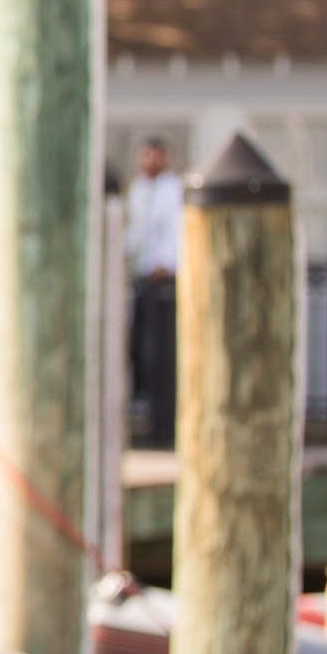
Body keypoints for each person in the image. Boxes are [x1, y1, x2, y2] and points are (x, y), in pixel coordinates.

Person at [126, 135, 183, 448]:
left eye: (154, 156)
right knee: (141, 355)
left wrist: (166, 264)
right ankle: (147, 416)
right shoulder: (138, 190)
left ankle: (165, 425)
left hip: (162, 281)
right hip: (140, 281)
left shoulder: (172, 190)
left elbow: (177, 235)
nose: (149, 161)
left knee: (161, 355)